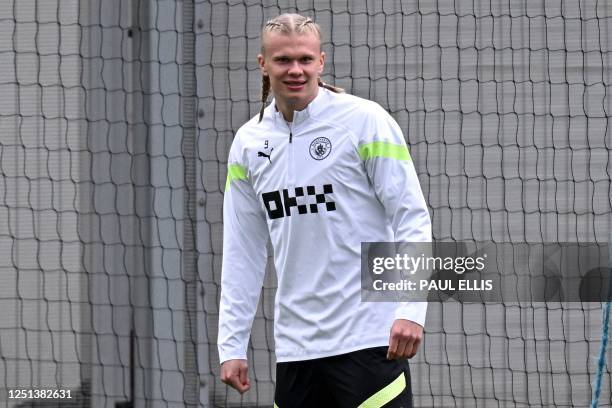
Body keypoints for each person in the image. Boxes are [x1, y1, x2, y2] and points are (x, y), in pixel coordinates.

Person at [218, 13, 431, 407]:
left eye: (305, 59)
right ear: (263, 64)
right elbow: (242, 250)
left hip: (370, 343)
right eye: (283, 60)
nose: (295, 70)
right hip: (297, 354)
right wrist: (231, 345)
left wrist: (411, 310)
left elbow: (411, 217)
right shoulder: (248, 144)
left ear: (321, 61)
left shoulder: (365, 120)